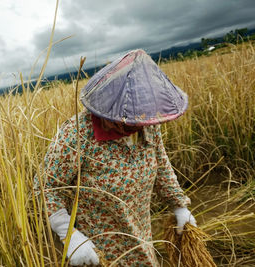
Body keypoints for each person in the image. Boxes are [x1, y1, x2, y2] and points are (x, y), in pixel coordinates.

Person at [42, 49, 197, 266]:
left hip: (141, 231)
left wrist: (179, 205)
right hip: (99, 246)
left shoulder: (147, 125)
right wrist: (70, 235)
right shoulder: (77, 133)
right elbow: (47, 185)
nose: (137, 124)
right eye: (129, 119)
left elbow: (161, 165)